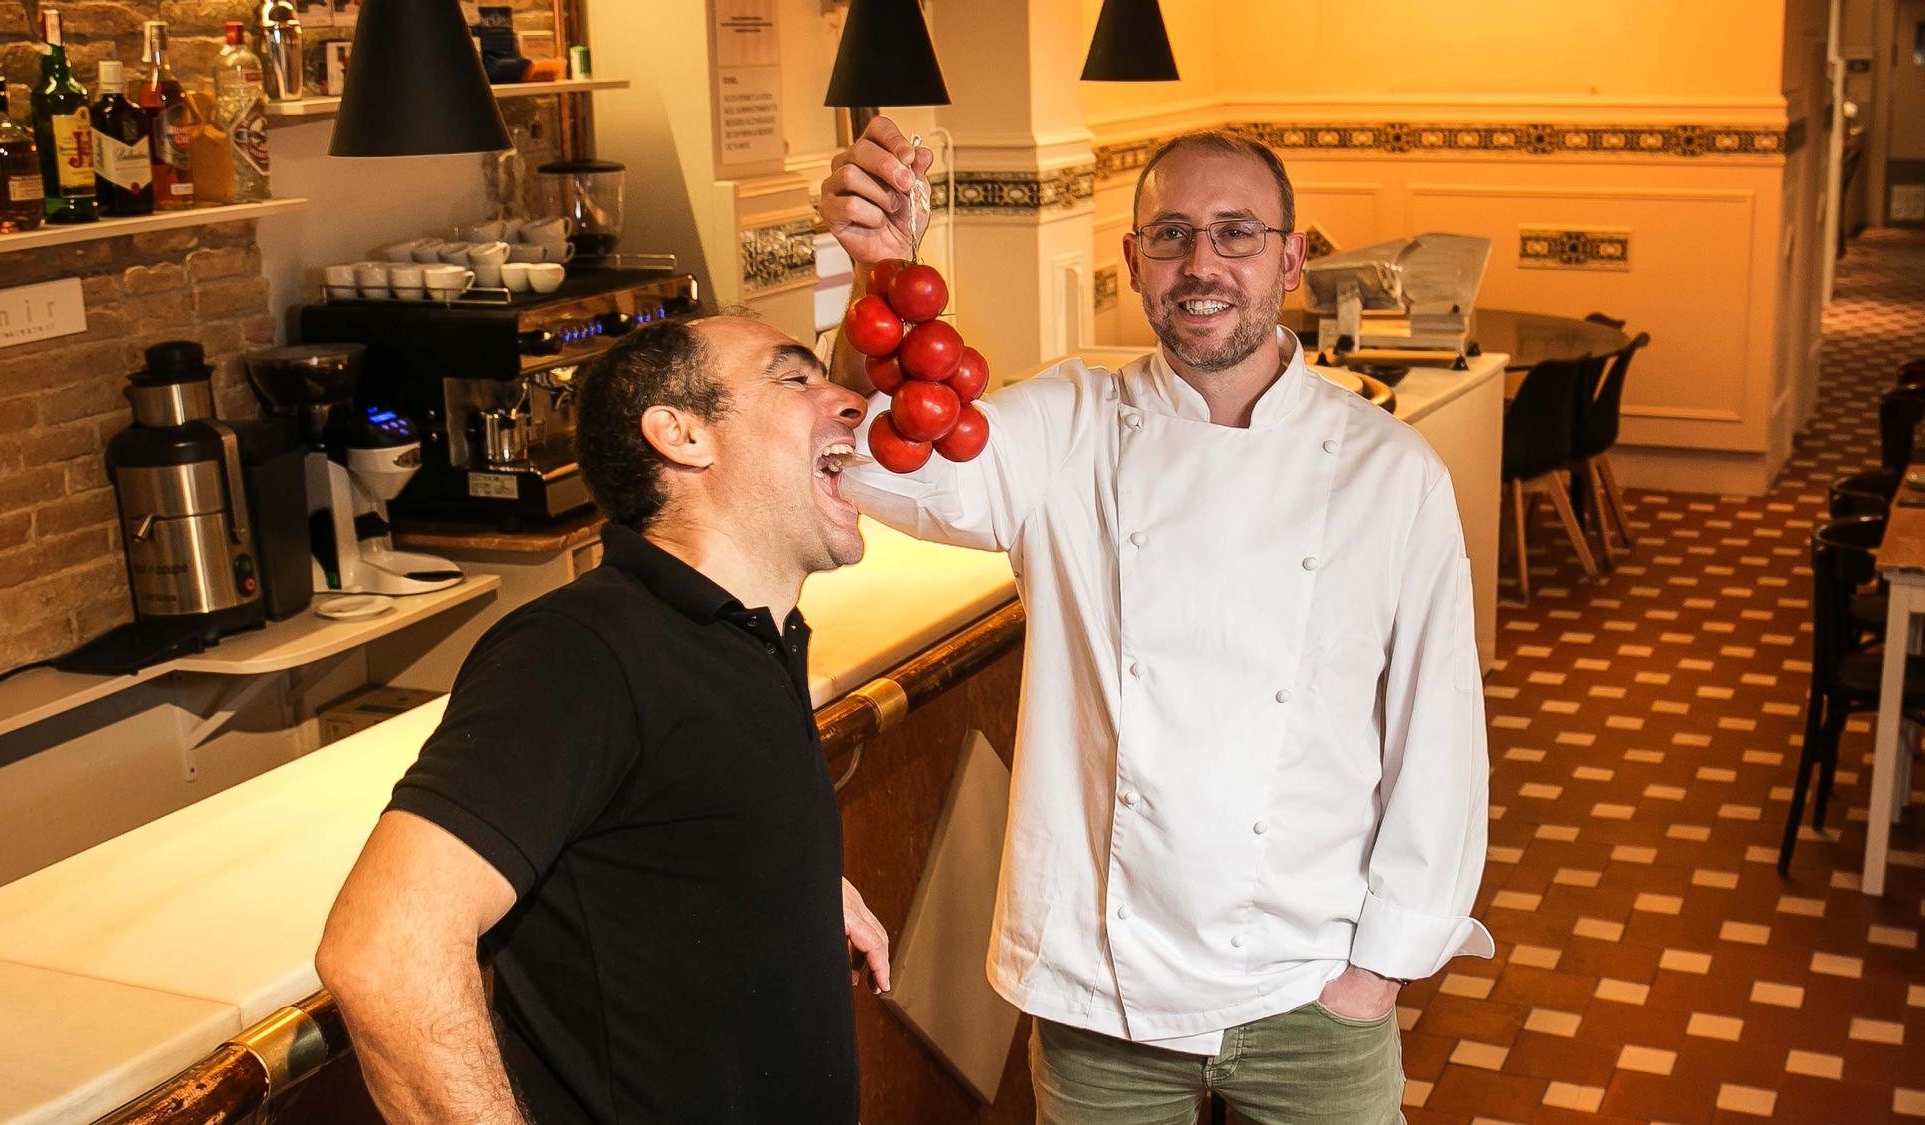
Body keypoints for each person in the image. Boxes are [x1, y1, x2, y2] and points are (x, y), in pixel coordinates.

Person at [820, 118, 1494, 1123]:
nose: (1201, 263)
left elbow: (1435, 741)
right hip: (1104, 990)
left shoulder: (1386, 473)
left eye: (1236, 233)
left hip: (1311, 983)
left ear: (1291, 258)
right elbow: (885, 465)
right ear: (1133, 262)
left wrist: (1380, 971)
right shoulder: (1066, 427)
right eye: (1170, 234)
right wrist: (879, 275)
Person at [316, 315, 890, 1124]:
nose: (850, 401)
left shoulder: (750, 634)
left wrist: (780, 879)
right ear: (682, 433)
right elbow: (383, 951)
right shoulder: (579, 652)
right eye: (795, 378)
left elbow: (662, 827)